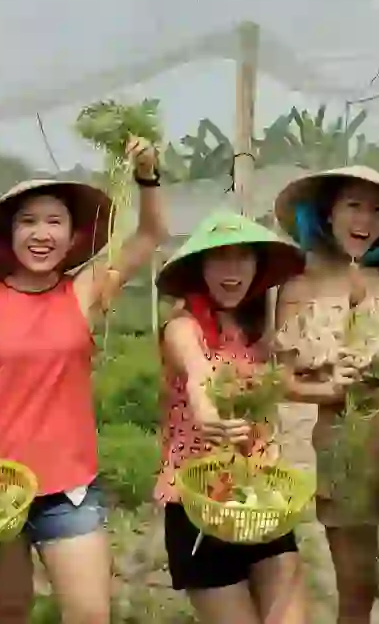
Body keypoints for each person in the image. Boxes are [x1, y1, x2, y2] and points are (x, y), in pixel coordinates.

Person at [0, 137, 167, 624]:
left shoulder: (84, 291)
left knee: (89, 614)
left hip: (68, 487)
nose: (41, 233)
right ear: (9, 234)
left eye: (54, 221)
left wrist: (146, 175)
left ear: (71, 236)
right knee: (10, 611)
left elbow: (148, 236)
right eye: (28, 221)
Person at [272, 165, 379, 624]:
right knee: (356, 584)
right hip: (341, 445)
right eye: (353, 205)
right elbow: (281, 378)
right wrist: (327, 388)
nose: (365, 219)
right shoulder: (298, 286)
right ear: (327, 213)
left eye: (378, 210)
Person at [153, 210, 310, 624]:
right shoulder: (182, 326)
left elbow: (285, 385)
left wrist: (338, 386)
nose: (232, 269)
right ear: (199, 268)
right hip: (199, 502)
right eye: (219, 257)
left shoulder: (255, 334)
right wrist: (208, 412)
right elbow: (198, 371)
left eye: (243, 258)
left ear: (258, 268)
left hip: (259, 496)